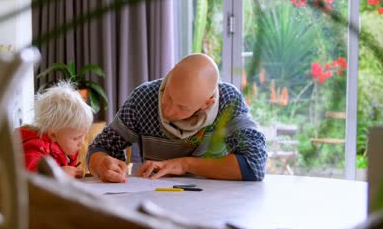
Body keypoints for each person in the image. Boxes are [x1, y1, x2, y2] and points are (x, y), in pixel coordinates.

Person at [87, 53, 267, 183]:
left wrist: (184, 165)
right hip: (154, 203)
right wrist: (102, 163)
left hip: (213, 207)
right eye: (168, 96)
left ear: (207, 103)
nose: (168, 110)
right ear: (170, 74)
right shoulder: (144, 96)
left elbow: (255, 164)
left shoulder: (229, 101)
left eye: (182, 107)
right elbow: (100, 147)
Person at [17, 81, 93, 178]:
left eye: (83, 136)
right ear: (53, 135)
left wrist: (73, 172)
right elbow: (28, 178)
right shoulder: (36, 147)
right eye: (76, 138)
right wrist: (59, 174)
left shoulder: (66, 149)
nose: (81, 143)